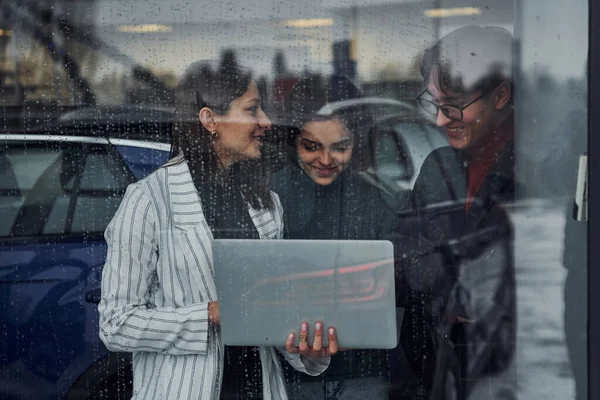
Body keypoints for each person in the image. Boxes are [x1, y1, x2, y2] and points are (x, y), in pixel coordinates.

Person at [98, 58, 340, 400]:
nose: (267, 122)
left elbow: (271, 314)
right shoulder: (148, 201)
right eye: (253, 109)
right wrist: (209, 314)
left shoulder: (267, 204)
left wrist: (309, 352)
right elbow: (115, 325)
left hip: (259, 389)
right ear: (210, 119)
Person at [398, 25, 518, 398]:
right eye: (434, 104)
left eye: (452, 106)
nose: (439, 121)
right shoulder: (437, 166)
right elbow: (403, 258)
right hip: (435, 367)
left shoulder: (538, 171)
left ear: (500, 96)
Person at [271, 76, 400, 399]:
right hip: (289, 368)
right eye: (311, 146)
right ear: (292, 140)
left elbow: (400, 287)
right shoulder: (268, 198)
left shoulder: (376, 200)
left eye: (340, 147)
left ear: (357, 144)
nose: (326, 160)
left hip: (363, 368)